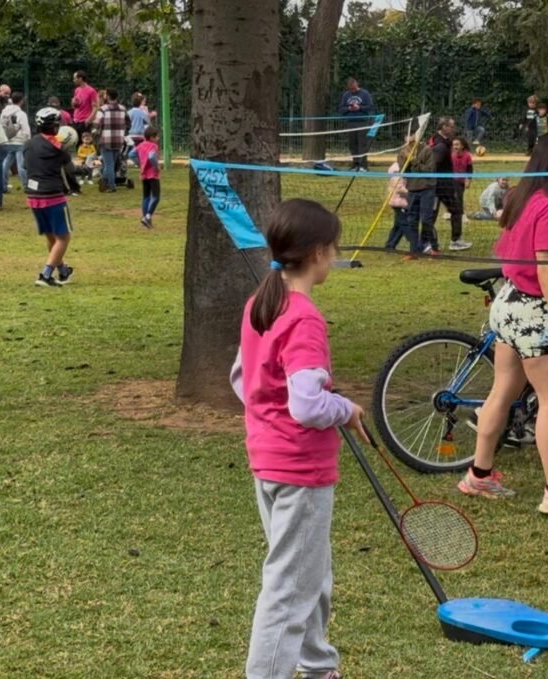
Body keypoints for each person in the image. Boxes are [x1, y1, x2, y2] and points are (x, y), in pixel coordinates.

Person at [228, 199, 365, 679]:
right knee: (289, 586)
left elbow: (242, 378)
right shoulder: (303, 317)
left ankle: (317, 664)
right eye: (335, 248)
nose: (335, 255)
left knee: (309, 570)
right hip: (299, 470)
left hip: (268, 461)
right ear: (319, 253)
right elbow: (307, 405)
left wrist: (274, 410)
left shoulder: (261, 302)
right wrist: (344, 409)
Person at [458, 137, 548, 515]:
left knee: (503, 390)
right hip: (531, 311)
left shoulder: (521, 199)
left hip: (509, 304)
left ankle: (478, 474)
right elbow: (545, 271)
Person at [23, 107, 81, 287]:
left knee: (52, 237)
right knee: (63, 238)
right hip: (53, 196)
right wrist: (89, 168)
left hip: (33, 196)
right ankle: (45, 275)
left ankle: (63, 271)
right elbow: (71, 171)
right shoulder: (59, 148)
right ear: (55, 126)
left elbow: (25, 166)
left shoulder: (29, 144)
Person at [429, 117, 470, 251]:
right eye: (451, 126)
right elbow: (434, 164)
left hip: (441, 184)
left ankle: (451, 241)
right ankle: (452, 241)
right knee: (453, 211)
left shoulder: (441, 140)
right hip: (441, 185)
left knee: (451, 211)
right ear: (444, 127)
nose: (453, 129)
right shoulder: (440, 145)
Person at [402, 134, 438, 255]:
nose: (410, 145)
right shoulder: (403, 152)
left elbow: (429, 171)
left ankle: (434, 246)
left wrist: (414, 160)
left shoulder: (427, 151)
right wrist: (406, 160)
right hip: (412, 189)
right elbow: (403, 171)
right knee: (412, 220)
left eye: (412, 142)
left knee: (426, 219)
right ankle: (414, 250)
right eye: (408, 142)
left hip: (427, 189)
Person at [384, 137, 420, 257]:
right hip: (398, 201)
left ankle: (390, 245)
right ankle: (417, 245)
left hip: (404, 200)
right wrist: (411, 193)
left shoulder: (409, 168)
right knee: (405, 224)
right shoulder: (396, 168)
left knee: (398, 225)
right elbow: (398, 187)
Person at [93, 89, 129, 192]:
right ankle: (104, 180)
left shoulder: (103, 109)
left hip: (106, 140)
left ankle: (111, 186)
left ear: (108, 96)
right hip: (119, 140)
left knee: (108, 164)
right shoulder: (123, 109)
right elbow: (128, 122)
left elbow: (96, 123)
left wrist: (94, 132)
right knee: (111, 163)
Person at [337, 77, 375, 171]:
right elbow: (341, 109)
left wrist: (360, 108)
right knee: (352, 145)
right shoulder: (346, 95)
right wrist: (349, 109)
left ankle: (363, 165)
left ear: (356, 84)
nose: (352, 91)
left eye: (354, 88)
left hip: (362, 122)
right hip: (351, 123)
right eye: (351, 89)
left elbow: (370, 106)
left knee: (362, 144)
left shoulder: (365, 94)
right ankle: (355, 164)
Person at [0, 92, 32, 191]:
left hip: (8, 140)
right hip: (19, 141)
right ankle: (26, 185)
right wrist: (28, 140)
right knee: (21, 165)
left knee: (5, 164)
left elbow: (1, 125)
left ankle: (3, 185)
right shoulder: (21, 114)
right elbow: (26, 129)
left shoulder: (4, 112)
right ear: (21, 101)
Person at [449, 136, 474, 250]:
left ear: (462, 146)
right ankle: (458, 214)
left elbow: (469, 169)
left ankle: (457, 214)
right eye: (454, 145)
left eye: (457, 144)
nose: (455, 147)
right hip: (452, 182)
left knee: (459, 199)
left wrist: (468, 180)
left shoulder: (467, 155)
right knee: (456, 201)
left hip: (461, 182)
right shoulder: (451, 155)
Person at [135, 126, 161, 228]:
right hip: (153, 174)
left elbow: (131, 154)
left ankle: (145, 219)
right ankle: (147, 217)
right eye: (156, 137)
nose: (158, 138)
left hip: (144, 174)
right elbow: (151, 156)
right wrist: (156, 166)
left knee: (146, 196)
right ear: (151, 137)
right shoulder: (153, 146)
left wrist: (140, 164)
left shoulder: (140, 145)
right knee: (156, 197)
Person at [71, 71, 99, 137]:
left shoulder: (91, 91)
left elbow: (95, 107)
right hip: (76, 121)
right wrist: (74, 103)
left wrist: (88, 121)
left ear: (80, 78)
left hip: (84, 121)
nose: (73, 80)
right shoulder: (77, 90)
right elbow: (75, 106)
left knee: (85, 141)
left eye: (75, 78)